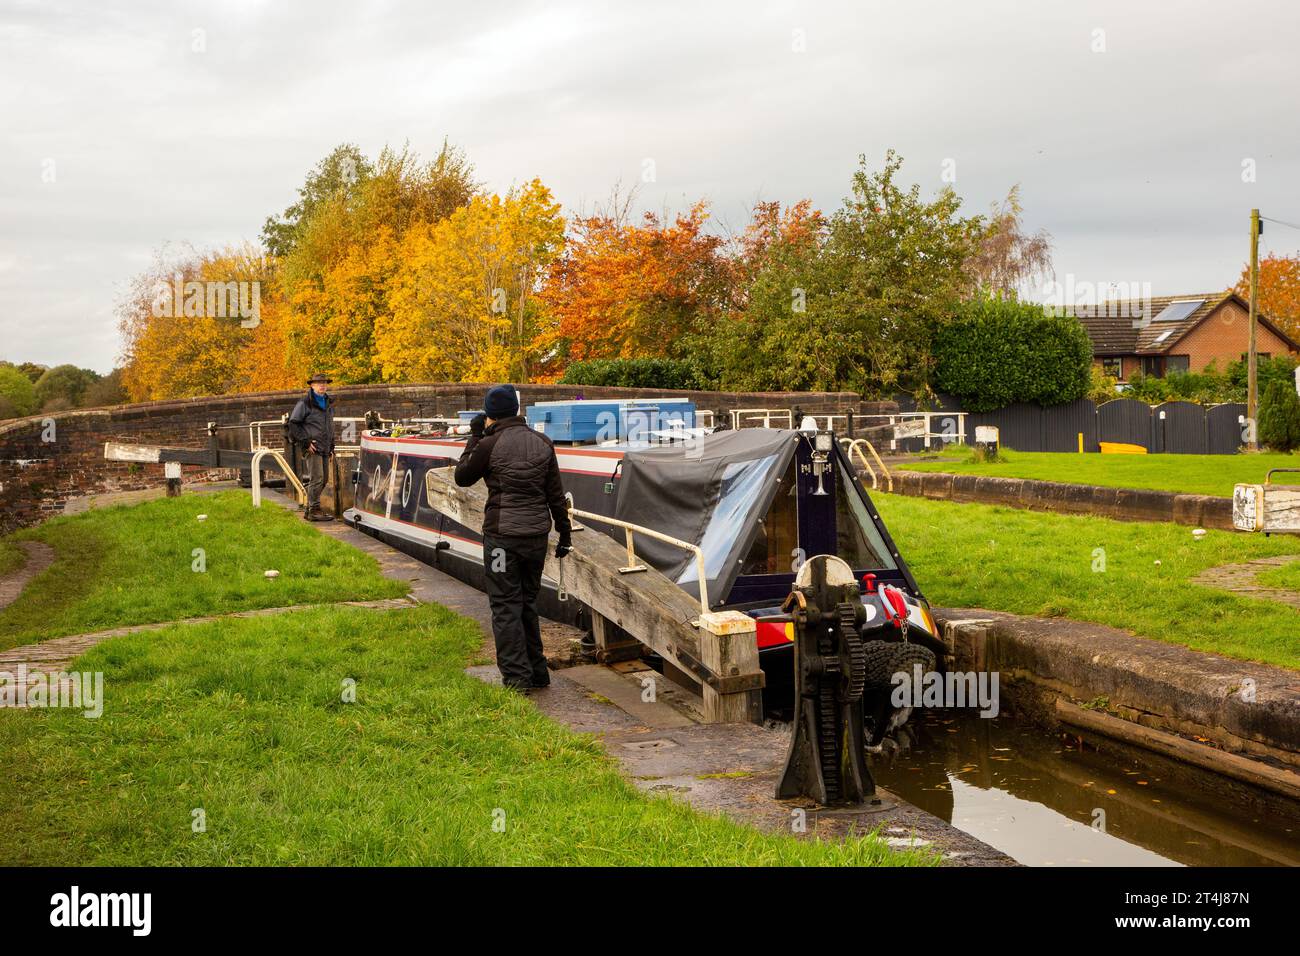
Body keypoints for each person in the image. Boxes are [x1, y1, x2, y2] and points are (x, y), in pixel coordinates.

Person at [455, 385, 573, 692]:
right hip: (536, 536)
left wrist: (475, 436)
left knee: (505, 605)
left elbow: (462, 476)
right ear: (517, 410)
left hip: (502, 538)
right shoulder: (543, 442)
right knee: (527, 603)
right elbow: (556, 496)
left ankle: (516, 679)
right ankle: (538, 672)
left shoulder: (488, 444)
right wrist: (564, 533)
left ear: (490, 414)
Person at [287, 373, 336, 522]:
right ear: (312, 385)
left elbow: (329, 426)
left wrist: (332, 446)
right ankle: (314, 510)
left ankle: (311, 509)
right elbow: (293, 424)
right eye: (319, 383)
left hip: (325, 447)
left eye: (324, 382)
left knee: (324, 479)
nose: (322, 385)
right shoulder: (305, 402)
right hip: (312, 446)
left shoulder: (327, 402)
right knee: (317, 478)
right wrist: (306, 442)